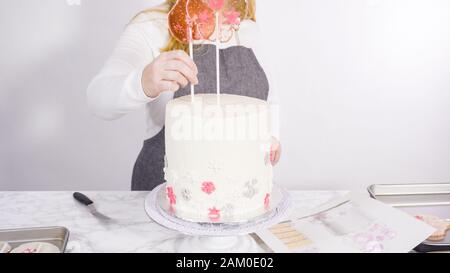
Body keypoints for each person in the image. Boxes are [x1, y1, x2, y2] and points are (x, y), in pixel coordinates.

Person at [87, 0, 281, 190]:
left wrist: (272, 136)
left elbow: (269, 100)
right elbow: (98, 99)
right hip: (162, 194)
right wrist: (143, 82)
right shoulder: (152, 27)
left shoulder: (246, 28)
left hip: (239, 196)